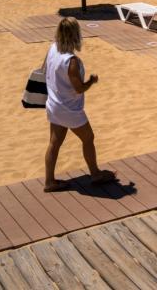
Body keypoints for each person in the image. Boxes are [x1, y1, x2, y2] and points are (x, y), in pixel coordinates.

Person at [43, 17, 116, 192]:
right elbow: (79, 89)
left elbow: (44, 69)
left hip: (53, 104)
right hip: (69, 109)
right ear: (75, 35)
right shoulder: (71, 61)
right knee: (88, 138)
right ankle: (96, 174)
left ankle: (49, 181)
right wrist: (91, 81)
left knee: (54, 143)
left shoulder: (52, 48)